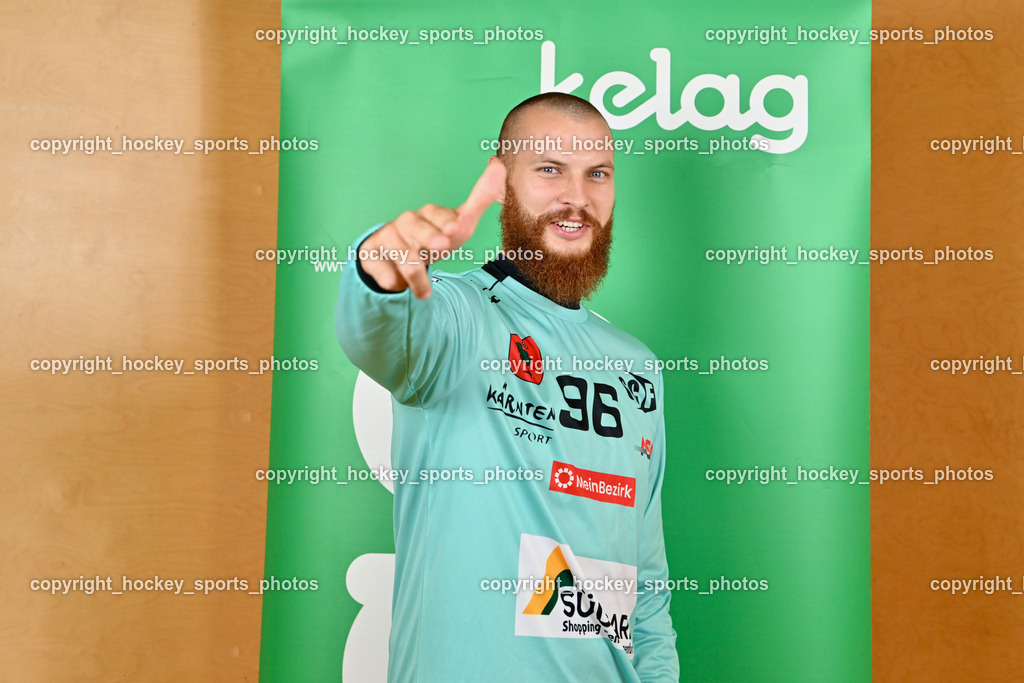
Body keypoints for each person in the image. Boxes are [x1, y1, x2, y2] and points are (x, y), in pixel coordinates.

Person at [335, 92, 678, 682]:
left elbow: (645, 588)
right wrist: (383, 260)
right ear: (502, 183)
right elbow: (376, 330)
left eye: (597, 174)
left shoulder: (637, 368)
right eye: (550, 169)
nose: (577, 198)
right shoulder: (456, 318)